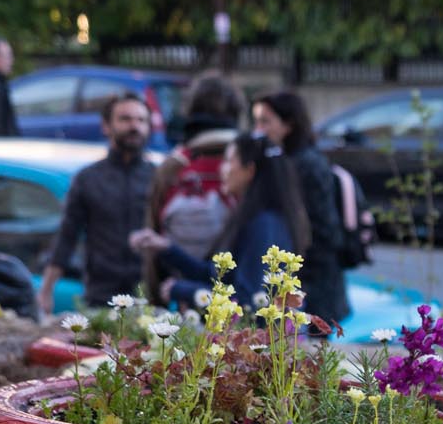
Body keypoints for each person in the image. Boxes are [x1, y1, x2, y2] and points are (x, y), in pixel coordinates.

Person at [131, 132, 311, 311]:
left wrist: (189, 292)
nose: (221, 169)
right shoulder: (255, 218)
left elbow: (249, 302)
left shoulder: (264, 224)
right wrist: (167, 248)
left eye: (229, 161)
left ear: (249, 170)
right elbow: (219, 274)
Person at [38, 93, 155, 314]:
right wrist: (46, 290)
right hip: (101, 297)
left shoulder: (157, 179)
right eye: (125, 119)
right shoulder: (88, 178)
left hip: (148, 299)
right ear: (106, 126)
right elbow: (67, 236)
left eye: (141, 120)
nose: (134, 126)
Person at [140, 73, 244, 300]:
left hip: (178, 293)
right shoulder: (246, 166)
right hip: (234, 297)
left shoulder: (174, 166)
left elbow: (153, 234)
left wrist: (155, 298)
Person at [251, 90, 349, 328]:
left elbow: (324, 230)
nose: (258, 130)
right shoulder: (289, 160)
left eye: (266, 121)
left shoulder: (306, 166)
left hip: (315, 284)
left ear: (289, 124)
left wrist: (298, 275)